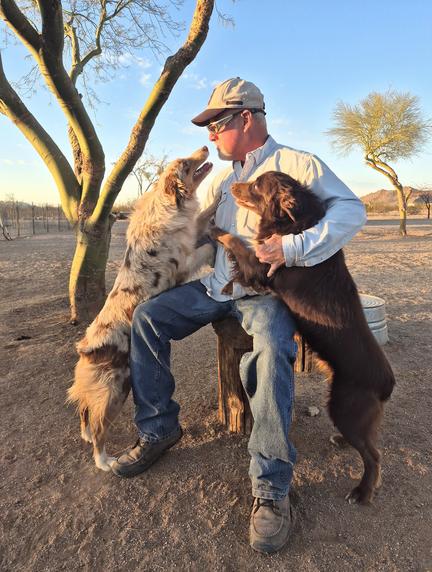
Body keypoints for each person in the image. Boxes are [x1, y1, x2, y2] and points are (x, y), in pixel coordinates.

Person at [111, 77, 367, 554]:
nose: (210, 135)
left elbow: (352, 210)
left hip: (266, 295)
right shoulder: (228, 182)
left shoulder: (297, 164)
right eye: (208, 128)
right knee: (147, 318)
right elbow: (202, 230)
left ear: (246, 118)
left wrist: (293, 247)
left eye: (217, 125)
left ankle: (270, 487)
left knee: (271, 351)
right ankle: (158, 427)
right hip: (216, 289)